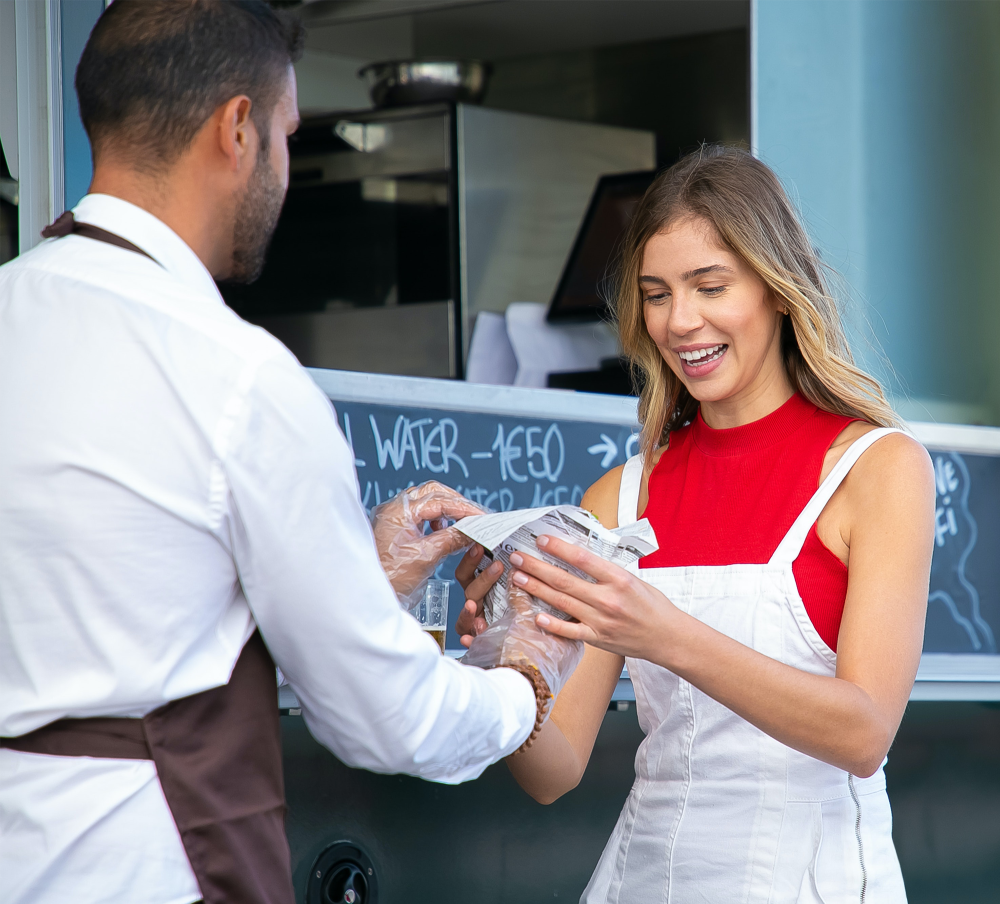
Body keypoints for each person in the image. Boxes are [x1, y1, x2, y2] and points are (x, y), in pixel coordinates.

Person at [0, 3, 577, 903]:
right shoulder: (237, 375)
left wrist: (357, 571)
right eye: (287, 133)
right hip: (143, 871)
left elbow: (143, 601)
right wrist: (526, 678)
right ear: (237, 129)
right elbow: (387, 721)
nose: (286, 164)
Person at [457, 146, 935, 902]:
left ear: (779, 291)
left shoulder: (878, 469)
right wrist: (505, 657)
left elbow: (864, 732)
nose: (681, 322)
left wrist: (663, 633)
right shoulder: (620, 495)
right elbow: (555, 772)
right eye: (656, 294)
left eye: (710, 286)